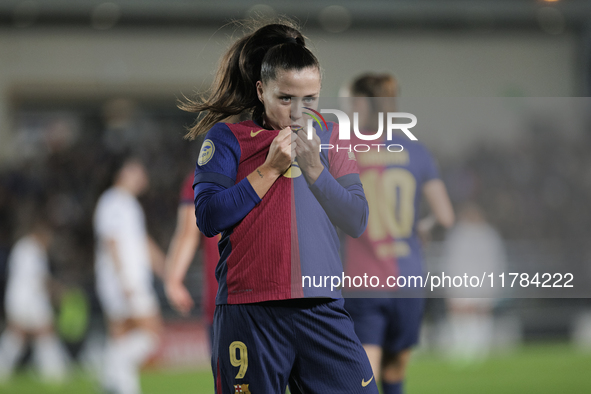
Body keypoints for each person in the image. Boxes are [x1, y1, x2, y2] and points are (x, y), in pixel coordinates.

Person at [180, 21, 378, 393]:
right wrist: (270, 168)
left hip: (321, 309)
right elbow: (207, 217)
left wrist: (317, 170)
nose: (298, 111)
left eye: (310, 99)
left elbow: (357, 219)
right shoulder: (227, 140)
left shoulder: (332, 139)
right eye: (286, 98)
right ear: (261, 90)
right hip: (249, 312)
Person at [342, 73, 455, 394]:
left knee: (365, 374)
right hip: (408, 279)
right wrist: (423, 226)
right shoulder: (416, 151)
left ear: (362, 103)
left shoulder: (345, 148)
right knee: (395, 371)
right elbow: (445, 216)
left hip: (364, 279)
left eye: (349, 102)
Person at [93, 155, 164, 394]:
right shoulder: (113, 201)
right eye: (138, 172)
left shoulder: (128, 204)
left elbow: (141, 242)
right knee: (152, 334)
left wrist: (164, 268)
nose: (143, 177)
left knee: (122, 337)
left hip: (125, 280)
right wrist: (123, 280)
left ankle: (116, 383)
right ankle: (109, 367)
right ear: (124, 172)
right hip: (124, 281)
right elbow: (111, 241)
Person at [0, 216, 68, 383]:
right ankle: (55, 373)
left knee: (18, 335)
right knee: (44, 332)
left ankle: (3, 368)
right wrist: (57, 290)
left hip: (20, 298)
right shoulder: (31, 250)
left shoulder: (25, 247)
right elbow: (38, 278)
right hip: (27, 299)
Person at [442, 202, 506, 364]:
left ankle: (480, 349)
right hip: (461, 283)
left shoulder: (489, 235)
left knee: (481, 315)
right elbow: (451, 263)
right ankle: (461, 348)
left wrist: (492, 287)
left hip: (482, 283)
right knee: (460, 316)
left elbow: (494, 263)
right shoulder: (458, 235)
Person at [165, 172, 220, 349]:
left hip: (223, 300)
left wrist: (173, 280)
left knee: (230, 375)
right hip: (279, 296)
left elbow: (187, 234)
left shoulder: (204, 175)